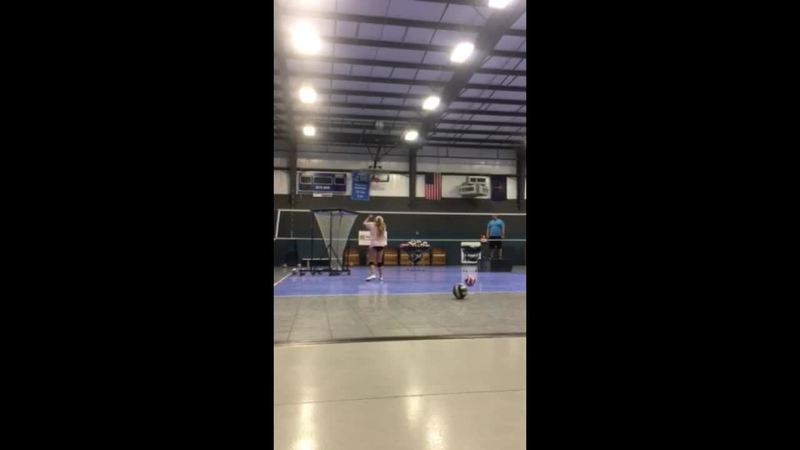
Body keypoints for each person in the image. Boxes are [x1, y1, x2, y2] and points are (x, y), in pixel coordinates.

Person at [362, 214, 387, 281]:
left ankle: (373, 274)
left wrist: (368, 217)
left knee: (371, 260)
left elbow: (364, 223)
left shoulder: (372, 224)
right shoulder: (383, 226)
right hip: (381, 245)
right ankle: (381, 276)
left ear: (375, 220)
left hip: (374, 245)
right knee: (379, 261)